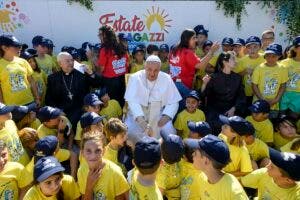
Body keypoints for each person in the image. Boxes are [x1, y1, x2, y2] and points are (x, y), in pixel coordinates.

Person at [124, 55, 181, 145]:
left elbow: (174, 101)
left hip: (158, 113)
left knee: (169, 132)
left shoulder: (166, 78)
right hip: (137, 114)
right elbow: (132, 101)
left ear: (160, 69)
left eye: (156, 70)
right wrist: (142, 122)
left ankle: (162, 155)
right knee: (130, 132)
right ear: (145, 67)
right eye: (149, 69)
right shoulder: (135, 78)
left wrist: (166, 116)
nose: (152, 73)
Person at [46, 52, 102, 129]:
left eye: (72, 60)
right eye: (67, 61)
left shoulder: (81, 74)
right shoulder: (53, 78)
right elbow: (49, 98)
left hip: (81, 110)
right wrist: (58, 111)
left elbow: (97, 84)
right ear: (60, 64)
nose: (71, 63)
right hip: (63, 112)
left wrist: (90, 72)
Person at [185, 134, 249, 199]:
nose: (192, 154)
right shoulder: (201, 177)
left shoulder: (234, 192)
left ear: (206, 161)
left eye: (195, 153)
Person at [169, 29, 219, 103]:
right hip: (182, 87)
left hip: (172, 85)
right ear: (187, 39)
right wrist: (211, 52)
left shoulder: (174, 49)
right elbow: (201, 66)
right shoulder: (187, 52)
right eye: (194, 38)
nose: (196, 40)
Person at [202, 52, 246, 134]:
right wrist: (204, 84)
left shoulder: (237, 78)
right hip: (214, 114)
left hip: (231, 112)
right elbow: (204, 95)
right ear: (225, 62)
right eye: (233, 59)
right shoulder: (213, 77)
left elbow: (241, 97)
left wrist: (234, 108)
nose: (235, 61)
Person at [77, 132, 130, 199]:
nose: (93, 156)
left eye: (98, 150)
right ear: (82, 153)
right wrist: (89, 186)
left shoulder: (115, 172)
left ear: (104, 151)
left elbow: (123, 197)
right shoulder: (81, 171)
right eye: (88, 151)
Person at [0, 34, 40, 106]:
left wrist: (37, 98)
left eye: (19, 46)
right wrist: (3, 107)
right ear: (4, 47)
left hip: (29, 102)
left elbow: (31, 81)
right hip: (11, 107)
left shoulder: (23, 61)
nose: (20, 48)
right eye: (16, 46)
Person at [97, 25, 129, 107]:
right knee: (122, 103)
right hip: (123, 80)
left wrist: (93, 60)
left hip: (110, 82)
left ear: (106, 35)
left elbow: (101, 69)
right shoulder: (122, 46)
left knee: (112, 105)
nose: (99, 37)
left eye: (100, 35)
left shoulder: (104, 50)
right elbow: (127, 64)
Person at [252, 43, 288, 113]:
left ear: (279, 56)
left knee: (272, 121)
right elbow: (254, 85)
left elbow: (283, 85)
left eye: (274, 56)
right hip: (259, 103)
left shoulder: (282, 69)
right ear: (265, 55)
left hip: (274, 105)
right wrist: (262, 99)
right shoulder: (259, 68)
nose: (270, 58)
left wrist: (276, 100)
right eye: (268, 55)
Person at [233, 36, 265, 108]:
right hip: (247, 92)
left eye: (255, 47)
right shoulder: (242, 60)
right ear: (246, 49)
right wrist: (244, 72)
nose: (252, 50)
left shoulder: (265, 58)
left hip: (262, 91)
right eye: (249, 47)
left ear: (260, 47)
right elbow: (235, 74)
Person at [157, 130, 184, 199]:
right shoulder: (181, 161)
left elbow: (159, 195)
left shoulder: (161, 171)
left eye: (162, 140)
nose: (160, 140)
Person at [280, 36, 300, 117]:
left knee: (293, 119)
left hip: (298, 96)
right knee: (281, 118)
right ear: (294, 49)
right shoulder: (284, 63)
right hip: (284, 94)